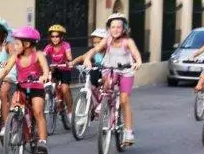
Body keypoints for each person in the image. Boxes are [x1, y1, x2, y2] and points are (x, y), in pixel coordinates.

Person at [84, 13, 142, 146]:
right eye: (113, 27)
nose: (115, 30)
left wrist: (138, 61)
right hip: (110, 69)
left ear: (124, 28)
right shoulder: (108, 40)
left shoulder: (128, 41)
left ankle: (128, 131)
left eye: (118, 27)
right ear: (109, 29)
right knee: (106, 86)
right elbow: (95, 49)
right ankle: (105, 103)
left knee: (124, 99)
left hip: (126, 72)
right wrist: (87, 58)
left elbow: (136, 53)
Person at [0, 26, 51, 154]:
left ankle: (42, 141)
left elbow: (45, 69)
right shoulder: (15, 57)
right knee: (14, 106)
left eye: (17, 44)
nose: (14, 46)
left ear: (27, 44)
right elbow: (5, 70)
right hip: (22, 87)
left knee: (38, 111)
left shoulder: (38, 55)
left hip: (36, 88)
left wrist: (44, 76)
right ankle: (15, 130)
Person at [71, 28, 107, 126]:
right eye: (94, 43)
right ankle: (85, 116)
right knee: (89, 92)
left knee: (104, 89)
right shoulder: (94, 52)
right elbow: (82, 57)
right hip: (94, 74)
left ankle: (102, 105)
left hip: (104, 74)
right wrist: (73, 62)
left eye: (99, 42)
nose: (96, 45)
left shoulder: (108, 52)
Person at [43, 24, 74, 123]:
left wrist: (68, 61)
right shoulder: (49, 47)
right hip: (55, 69)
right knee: (51, 86)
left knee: (64, 89)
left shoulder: (65, 45)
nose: (54, 39)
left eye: (57, 36)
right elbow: (42, 57)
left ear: (61, 37)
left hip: (65, 69)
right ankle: (56, 102)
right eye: (52, 36)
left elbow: (69, 56)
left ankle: (70, 112)